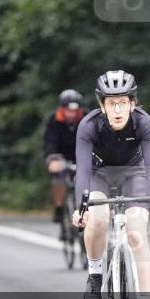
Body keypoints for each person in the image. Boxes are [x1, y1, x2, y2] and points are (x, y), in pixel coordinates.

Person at [72, 70, 150, 299]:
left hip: (134, 174)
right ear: (101, 105)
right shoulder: (89, 126)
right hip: (98, 174)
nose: (117, 109)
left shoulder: (144, 123)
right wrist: (80, 207)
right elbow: (81, 171)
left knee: (136, 236)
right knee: (100, 218)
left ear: (132, 103)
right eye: (111, 103)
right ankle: (95, 274)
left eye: (123, 102)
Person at [44, 89, 85, 228]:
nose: (71, 114)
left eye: (74, 110)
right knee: (59, 179)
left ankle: (86, 210)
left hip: (81, 157)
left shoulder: (86, 118)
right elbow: (50, 142)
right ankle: (59, 208)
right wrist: (52, 158)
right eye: (68, 110)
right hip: (61, 157)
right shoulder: (54, 121)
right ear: (63, 108)